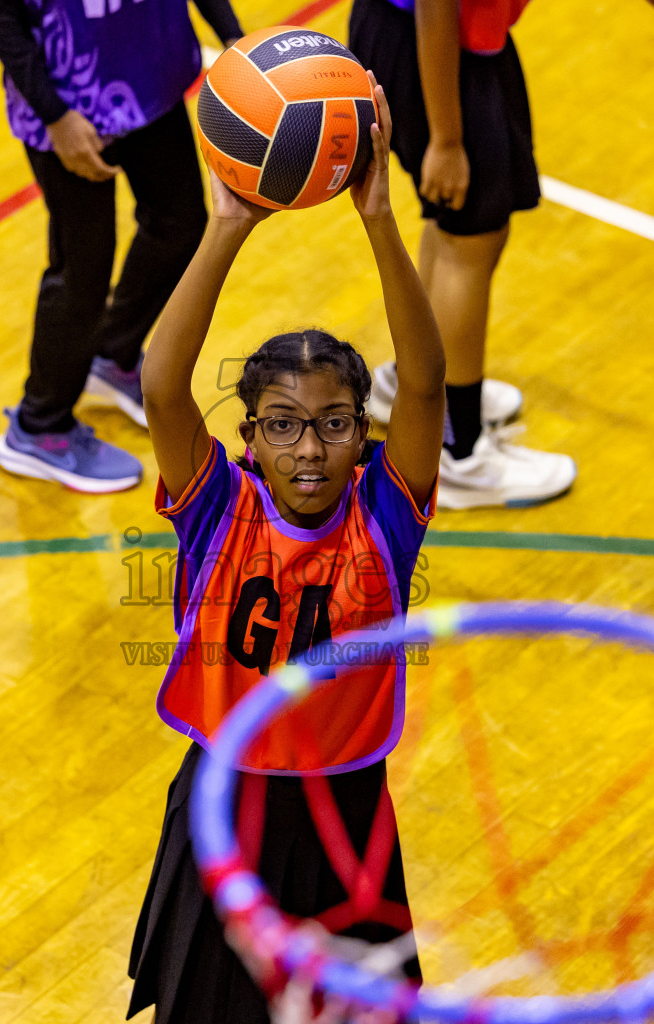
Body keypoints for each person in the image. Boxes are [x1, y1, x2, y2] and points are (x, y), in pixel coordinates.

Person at [128, 78, 441, 1022]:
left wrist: (381, 218)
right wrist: (229, 226)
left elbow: (425, 384)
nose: (311, 447)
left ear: (362, 435)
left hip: (342, 811)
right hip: (227, 803)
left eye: (334, 424)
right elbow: (161, 379)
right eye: (285, 426)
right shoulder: (217, 509)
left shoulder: (386, 517)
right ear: (252, 439)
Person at [349, 0, 654, 508]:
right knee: (469, 238)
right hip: (432, 44)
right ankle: (455, 452)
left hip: (437, 37)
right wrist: (447, 139)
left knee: (455, 227)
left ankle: (419, 393)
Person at [0, 0, 243, 493]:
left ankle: (112, 353)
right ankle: (39, 426)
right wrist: (54, 115)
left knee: (180, 223)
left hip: (149, 75)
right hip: (69, 97)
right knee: (83, 270)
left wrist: (231, 34)